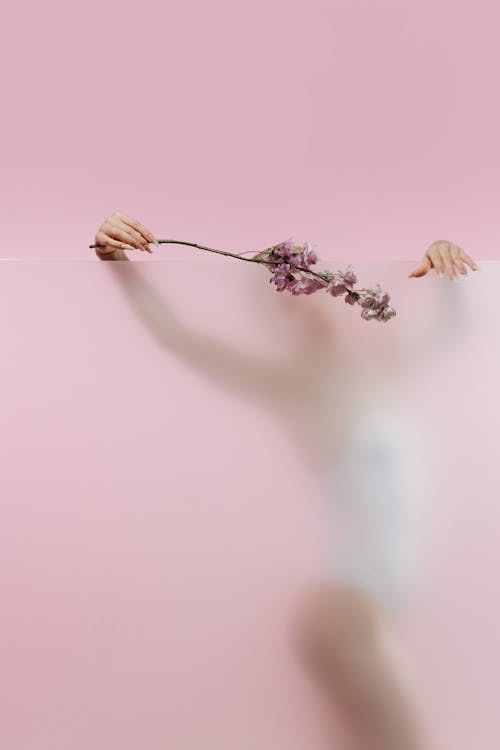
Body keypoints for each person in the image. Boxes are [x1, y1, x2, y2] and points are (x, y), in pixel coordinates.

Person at [92, 212, 479, 749]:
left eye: (308, 293)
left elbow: (456, 330)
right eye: (284, 306)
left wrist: (446, 260)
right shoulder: (296, 389)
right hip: (349, 611)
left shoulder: (384, 369)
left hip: (365, 609)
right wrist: (116, 262)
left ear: (333, 293)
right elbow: (178, 338)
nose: (302, 313)